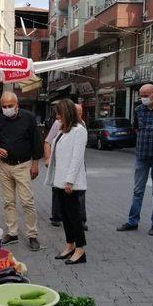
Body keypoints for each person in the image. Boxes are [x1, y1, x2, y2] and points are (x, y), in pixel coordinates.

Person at [117, 84, 153, 236]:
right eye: (141, 95)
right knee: (138, 191)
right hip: (142, 156)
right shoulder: (138, 110)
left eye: (146, 95)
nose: (143, 98)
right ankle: (132, 222)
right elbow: (137, 129)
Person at [0, 91, 43, 251]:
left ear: (17, 104)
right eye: (4, 106)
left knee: (27, 201)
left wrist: (35, 163)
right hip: (4, 166)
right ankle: (12, 233)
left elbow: (36, 141)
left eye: (10, 106)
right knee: (8, 202)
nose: (7, 109)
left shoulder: (28, 118)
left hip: (23, 165)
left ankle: (32, 235)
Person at [44, 99, 88, 265]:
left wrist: (69, 181)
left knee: (74, 216)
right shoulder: (63, 130)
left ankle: (80, 249)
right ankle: (70, 245)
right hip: (60, 181)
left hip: (71, 183)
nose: (57, 116)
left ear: (67, 113)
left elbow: (77, 158)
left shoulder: (79, 130)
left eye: (59, 113)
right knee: (66, 217)